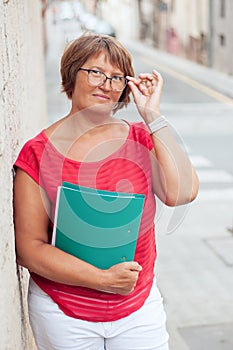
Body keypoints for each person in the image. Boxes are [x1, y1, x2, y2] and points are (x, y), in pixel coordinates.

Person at [13, 33, 199, 350]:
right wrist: (103, 280)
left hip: (138, 307)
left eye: (116, 77)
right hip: (64, 314)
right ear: (72, 74)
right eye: (96, 72)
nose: (106, 84)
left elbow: (181, 193)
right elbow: (29, 247)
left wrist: (153, 117)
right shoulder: (37, 152)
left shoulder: (141, 138)